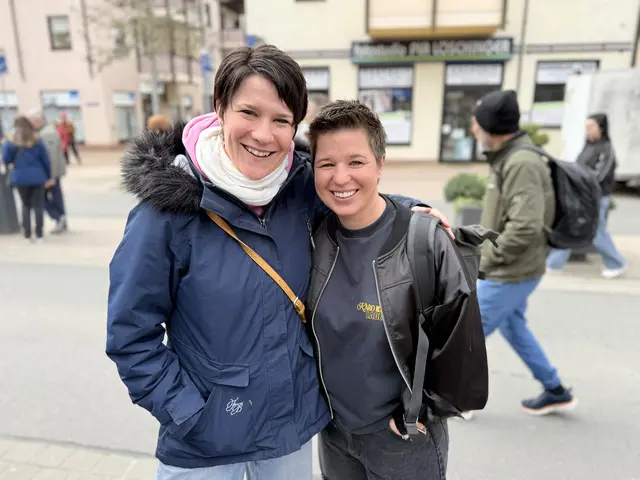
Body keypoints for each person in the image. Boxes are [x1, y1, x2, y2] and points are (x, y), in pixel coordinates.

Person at [106, 44, 450, 480]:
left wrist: (410, 210)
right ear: (220, 107)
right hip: (205, 443)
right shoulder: (165, 214)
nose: (263, 135)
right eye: (248, 112)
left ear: (295, 126)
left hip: (289, 432)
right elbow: (130, 335)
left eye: (281, 120)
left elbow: (353, 197)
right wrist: (188, 413)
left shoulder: (301, 187)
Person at [305, 100, 471, 479]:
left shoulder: (423, 241)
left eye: (356, 162)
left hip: (401, 439)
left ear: (380, 165)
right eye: (326, 164)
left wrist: (421, 410)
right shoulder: (315, 237)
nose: (340, 177)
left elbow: (459, 343)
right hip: (333, 432)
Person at [469, 90, 576, 416]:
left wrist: (487, 259)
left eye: (476, 123)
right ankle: (555, 389)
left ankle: (453, 398)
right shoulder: (509, 157)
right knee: (514, 328)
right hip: (516, 268)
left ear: (491, 127)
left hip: (510, 271)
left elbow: (525, 227)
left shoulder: (521, 163)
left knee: (467, 334)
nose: (473, 128)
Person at [546, 113, 627, 278]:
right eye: (586, 127)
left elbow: (599, 176)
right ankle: (554, 264)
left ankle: (617, 263)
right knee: (570, 226)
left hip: (596, 198)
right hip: (582, 196)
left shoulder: (606, 150)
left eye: (591, 127)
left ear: (601, 128)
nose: (587, 131)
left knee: (596, 232)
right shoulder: (588, 147)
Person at [2, 116, 53, 243]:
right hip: (38, 177)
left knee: (25, 205)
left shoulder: (11, 142)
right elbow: (45, 160)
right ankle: (40, 235)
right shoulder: (37, 140)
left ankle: (27, 235)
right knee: (38, 206)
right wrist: (48, 176)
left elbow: (6, 159)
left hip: (20, 178)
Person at [27, 108, 68, 234]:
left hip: (50, 173)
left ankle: (59, 218)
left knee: (42, 198)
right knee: (54, 197)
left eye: (31, 122)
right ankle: (61, 220)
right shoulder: (44, 131)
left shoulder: (47, 133)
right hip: (49, 173)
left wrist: (51, 177)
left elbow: (52, 157)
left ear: (38, 120)